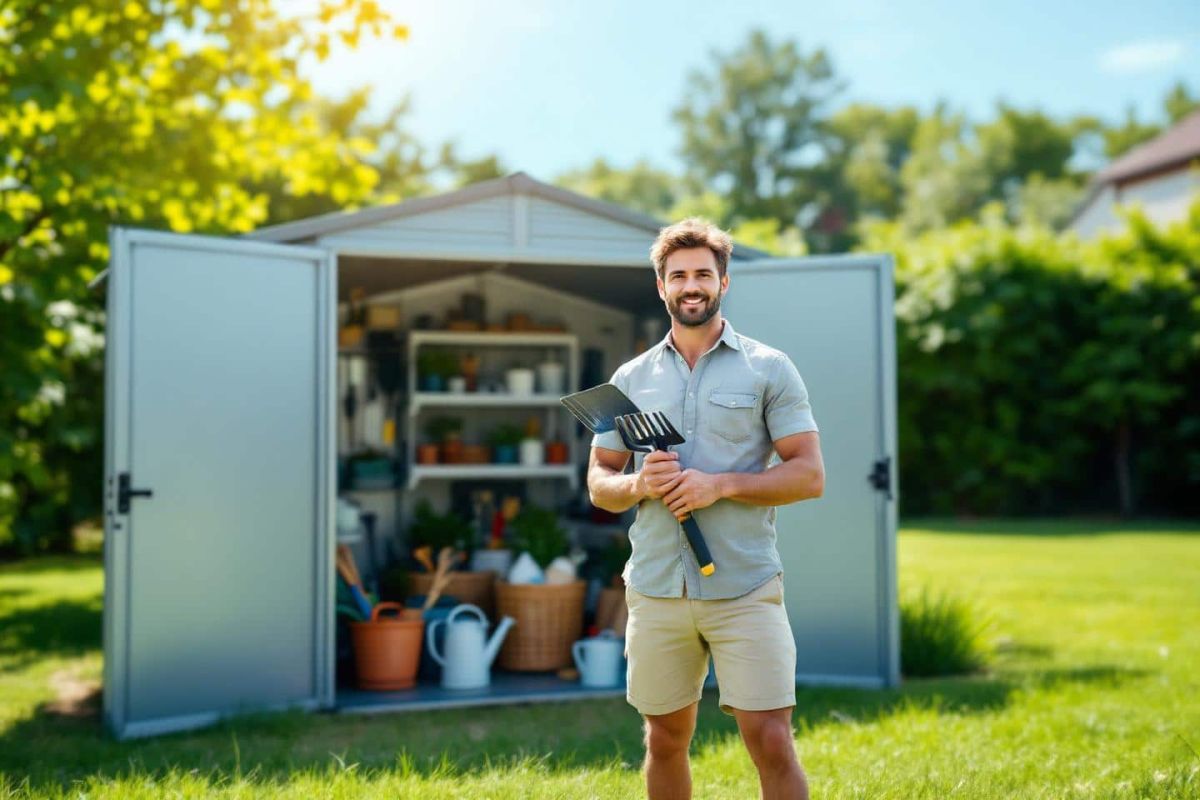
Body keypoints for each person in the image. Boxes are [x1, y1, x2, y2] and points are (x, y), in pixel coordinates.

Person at [588, 218, 825, 800]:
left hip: (744, 585)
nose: (690, 285)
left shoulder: (770, 367)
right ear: (661, 287)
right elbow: (599, 481)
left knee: (771, 739)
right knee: (665, 739)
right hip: (657, 587)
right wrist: (641, 484)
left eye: (702, 274)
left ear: (723, 281)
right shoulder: (628, 379)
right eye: (677, 276)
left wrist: (719, 486)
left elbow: (808, 474)